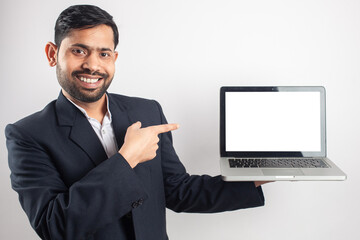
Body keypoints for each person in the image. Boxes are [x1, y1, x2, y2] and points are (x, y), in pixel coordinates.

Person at [5, 5, 266, 240]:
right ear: (53, 54)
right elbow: (55, 227)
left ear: (114, 59)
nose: (93, 65)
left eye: (104, 53)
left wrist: (261, 174)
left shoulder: (147, 110)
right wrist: (127, 158)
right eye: (78, 50)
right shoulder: (27, 135)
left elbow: (179, 192)